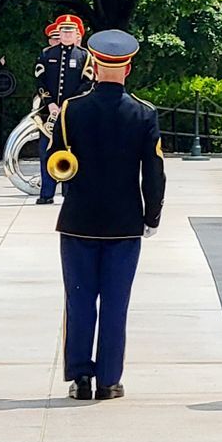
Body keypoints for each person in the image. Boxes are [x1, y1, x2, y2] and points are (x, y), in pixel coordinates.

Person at [49, 28, 163, 400]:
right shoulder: (144, 113)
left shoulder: (72, 109)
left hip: (79, 219)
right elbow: (154, 172)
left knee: (79, 300)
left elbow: (54, 160)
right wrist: (152, 216)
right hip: (124, 222)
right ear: (127, 68)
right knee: (116, 303)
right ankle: (109, 379)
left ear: (93, 66)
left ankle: (80, 378)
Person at [33, 14, 90, 206]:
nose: (67, 34)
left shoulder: (84, 56)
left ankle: (70, 191)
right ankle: (46, 193)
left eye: (70, 31)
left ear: (77, 35)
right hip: (49, 113)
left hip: (73, 113)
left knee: (73, 150)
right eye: (64, 31)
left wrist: (69, 103)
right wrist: (49, 101)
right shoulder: (47, 54)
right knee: (46, 151)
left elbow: (88, 83)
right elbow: (39, 80)